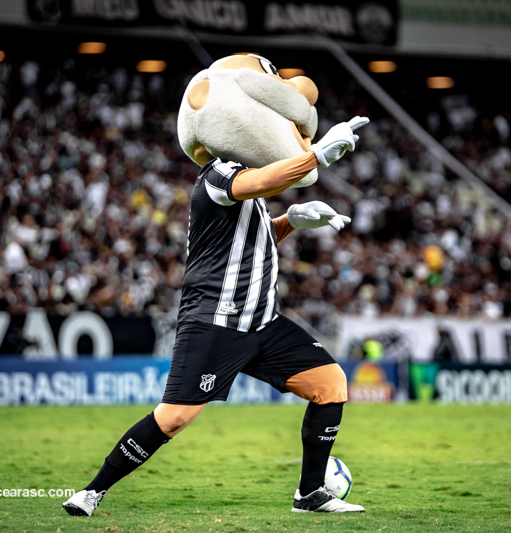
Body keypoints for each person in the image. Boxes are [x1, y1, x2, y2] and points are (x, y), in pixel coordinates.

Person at [62, 54, 367, 516]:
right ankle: (92, 490)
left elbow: (252, 237)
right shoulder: (219, 173)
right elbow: (258, 181)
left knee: (330, 383)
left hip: (261, 322)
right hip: (216, 321)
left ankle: (310, 494)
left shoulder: (251, 193)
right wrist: (315, 156)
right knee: (175, 417)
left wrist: (291, 221)